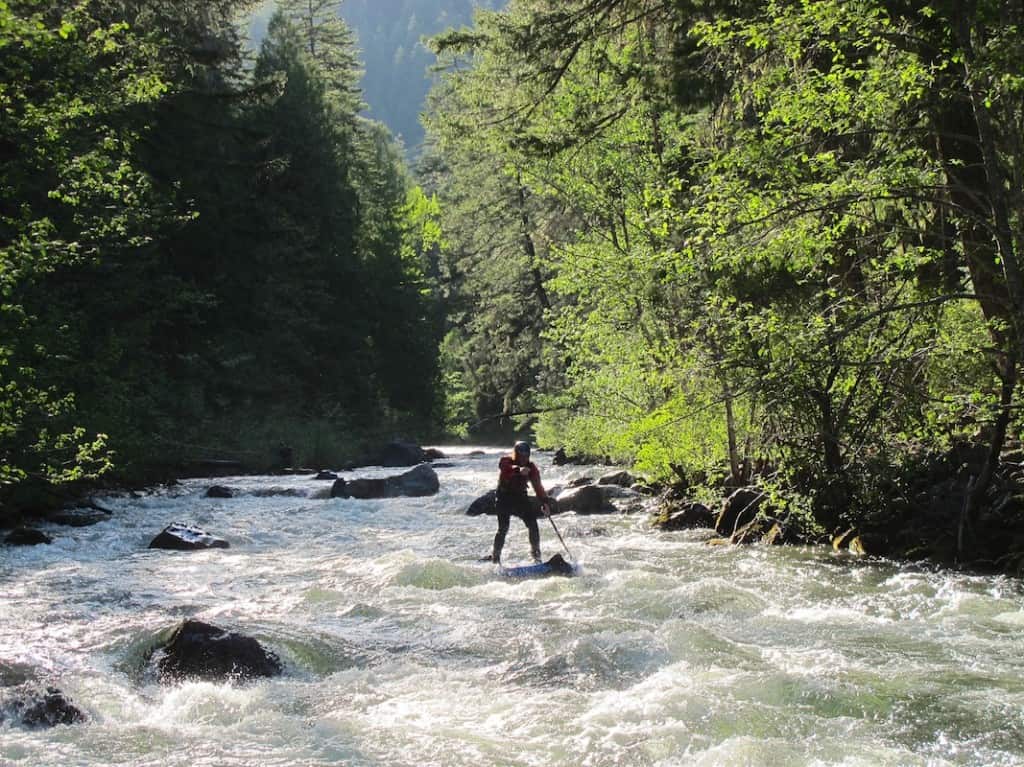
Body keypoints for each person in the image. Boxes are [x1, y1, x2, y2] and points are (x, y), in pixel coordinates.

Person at [488, 440, 550, 564]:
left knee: (533, 525)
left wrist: (544, 502)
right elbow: (505, 469)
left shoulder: (531, 467)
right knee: (503, 528)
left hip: (520, 498)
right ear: (516, 454)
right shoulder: (506, 461)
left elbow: (537, 486)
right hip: (504, 498)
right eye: (521, 456)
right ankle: (495, 558)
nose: (523, 459)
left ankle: (536, 557)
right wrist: (518, 470)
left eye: (526, 456)